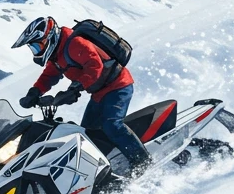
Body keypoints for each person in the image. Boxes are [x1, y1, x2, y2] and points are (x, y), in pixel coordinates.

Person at [11, 16, 151, 173]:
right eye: (34, 49)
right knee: (87, 134)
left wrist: (75, 89)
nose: (38, 51)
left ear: (49, 38)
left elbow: (94, 66)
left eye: (38, 46)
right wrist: (35, 92)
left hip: (118, 86)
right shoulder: (57, 54)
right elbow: (50, 75)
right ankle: (107, 169)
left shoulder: (74, 44)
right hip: (99, 93)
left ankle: (143, 162)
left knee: (112, 124)